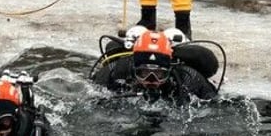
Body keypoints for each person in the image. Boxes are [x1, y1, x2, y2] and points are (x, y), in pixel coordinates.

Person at [90, 28, 220, 103]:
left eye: (159, 74)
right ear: (134, 68)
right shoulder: (118, 70)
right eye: (143, 73)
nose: (151, 80)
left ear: (169, 69)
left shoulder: (187, 77)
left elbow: (214, 103)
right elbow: (93, 94)